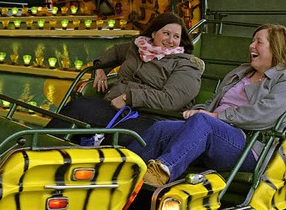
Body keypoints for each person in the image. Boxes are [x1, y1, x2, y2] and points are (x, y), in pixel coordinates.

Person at [127, 24, 286, 186]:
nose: (251, 46)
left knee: (204, 123)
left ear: (276, 47)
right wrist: (200, 111)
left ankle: (164, 170)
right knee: (161, 128)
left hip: (250, 145)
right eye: (252, 41)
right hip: (213, 130)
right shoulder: (242, 72)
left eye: (258, 42)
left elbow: (265, 114)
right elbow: (215, 101)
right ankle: (124, 171)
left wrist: (216, 117)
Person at [47, 12, 202, 146]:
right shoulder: (138, 48)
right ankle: (42, 148)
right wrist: (101, 67)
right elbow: (115, 52)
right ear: (154, 34)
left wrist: (129, 97)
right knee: (78, 107)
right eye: (166, 33)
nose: (170, 41)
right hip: (117, 107)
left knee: (120, 136)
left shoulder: (186, 65)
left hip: (153, 117)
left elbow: (171, 100)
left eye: (176, 37)